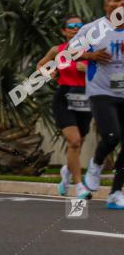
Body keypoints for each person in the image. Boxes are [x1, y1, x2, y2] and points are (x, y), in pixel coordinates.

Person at [68, 0, 124, 209]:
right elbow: (70, 52)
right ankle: (96, 165)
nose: (121, 3)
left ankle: (116, 192)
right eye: (116, 0)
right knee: (111, 136)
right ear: (106, 6)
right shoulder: (92, 29)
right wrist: (90, 55)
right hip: (102, 92)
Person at [36, 16, 92, 199]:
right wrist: (48, 73)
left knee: (79, 142)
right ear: (64, 31)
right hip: (64, 98)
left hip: (87, 98)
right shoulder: (57, 50)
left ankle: (66, 172)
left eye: (79, 26)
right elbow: (40, 65)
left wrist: (90, 70)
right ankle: (79, 185)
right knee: (74, 141)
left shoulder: (92, 50)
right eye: (71, 26)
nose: (75, 29)